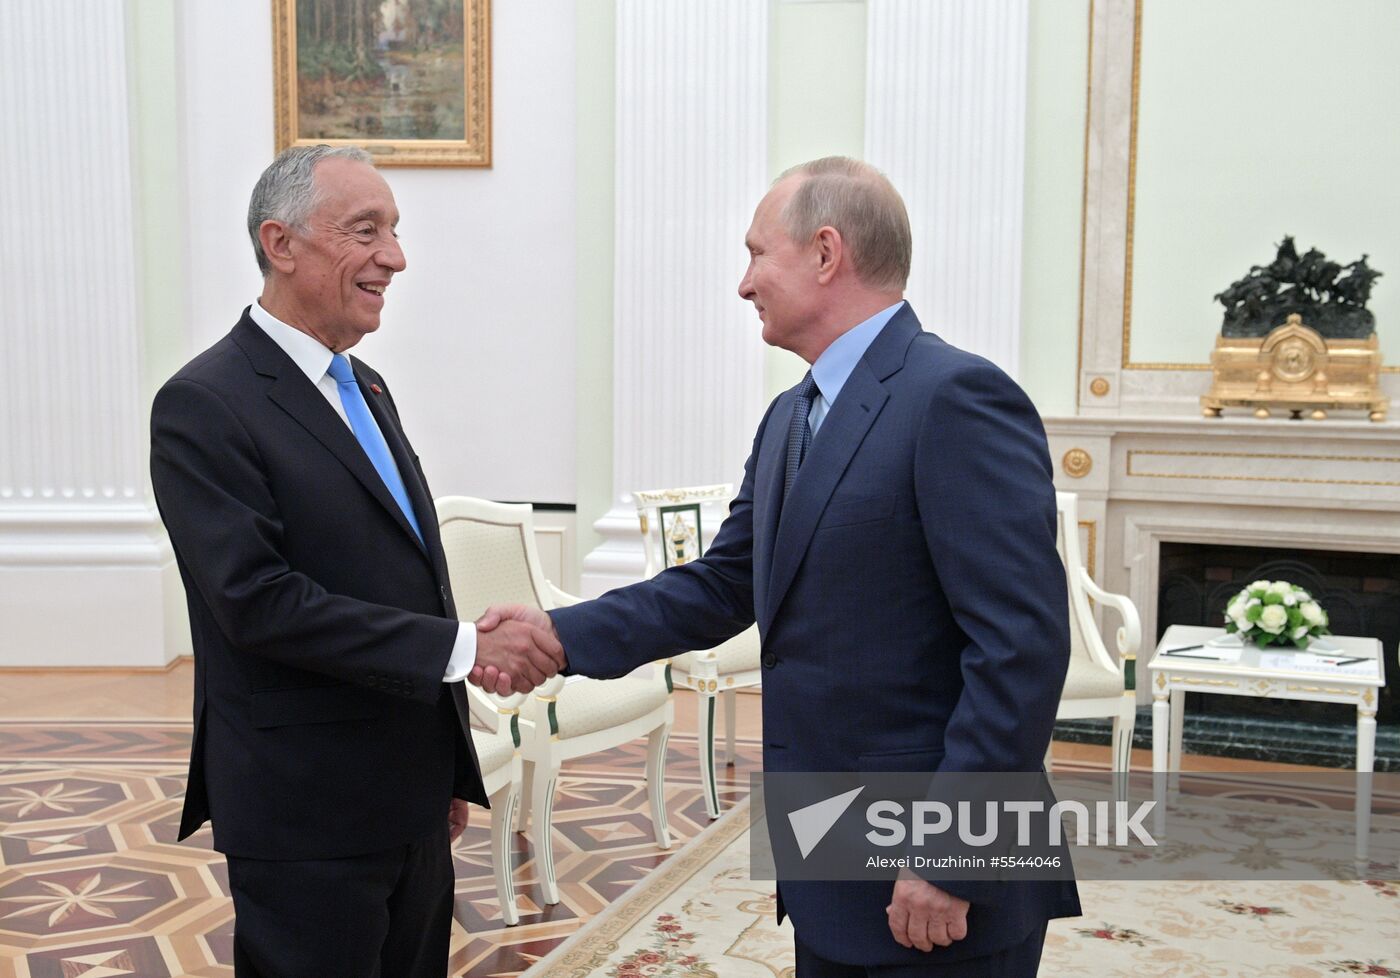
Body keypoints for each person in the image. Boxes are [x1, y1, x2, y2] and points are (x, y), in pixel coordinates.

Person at [478, 157, 1079, 976]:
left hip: (936, 875)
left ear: (826, 253)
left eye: (758, 253)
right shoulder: (791, 416)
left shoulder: (957, 398)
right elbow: (725, 583)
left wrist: (952, 857)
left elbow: (1020, 646)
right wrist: (559, 633)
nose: (744, 282)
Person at [149, 144, 565, 978]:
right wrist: (465, 651)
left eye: (396, 232)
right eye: (365, 230)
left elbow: (407, 575)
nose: (395, 257)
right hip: (305, 808)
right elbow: (258, 602)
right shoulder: (203, 404)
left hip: (405, 792)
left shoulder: (365, 385)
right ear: (281, 242)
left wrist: (443, 761)